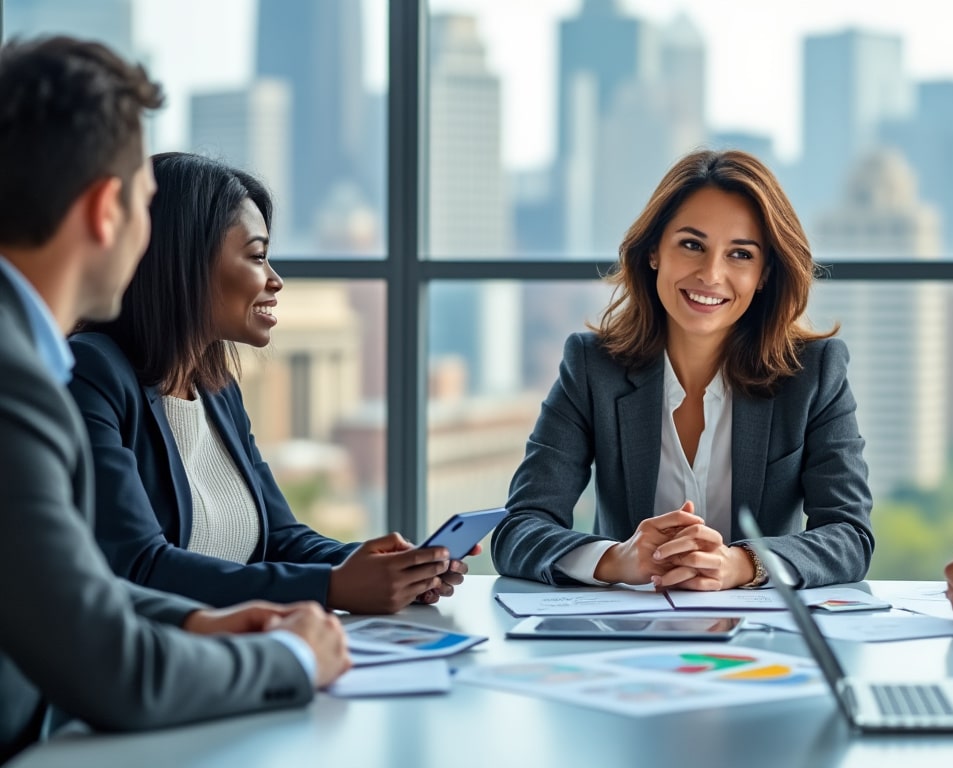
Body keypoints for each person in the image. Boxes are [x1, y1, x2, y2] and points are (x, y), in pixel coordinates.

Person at [0, 36, 349, 763]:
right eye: (144, 207)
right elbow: (110, 662)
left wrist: (195, 625)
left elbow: (70, 593)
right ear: (106, 211)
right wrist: (290, 660)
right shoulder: (21, 381)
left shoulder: (29, 359)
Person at [69, 151, 476, 614]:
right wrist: (331, 588)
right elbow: (139, 567)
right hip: (158, 667)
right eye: (258, 257)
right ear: (183, 261)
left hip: (241, 652)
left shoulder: (218, 392)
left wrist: (388, 569)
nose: (275, 280)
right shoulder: (92, 374)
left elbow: (281, 538)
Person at [491, 149, 873, 590]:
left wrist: (741, 565)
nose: (711, 274)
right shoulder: (591, 367)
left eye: (741, 255)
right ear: (654, 251)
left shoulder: (814, 373)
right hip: (626, 637)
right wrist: (617, 559)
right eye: (692, 245)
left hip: (764, 643)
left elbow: (850, 536)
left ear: (765, 273)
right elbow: (519, 528)